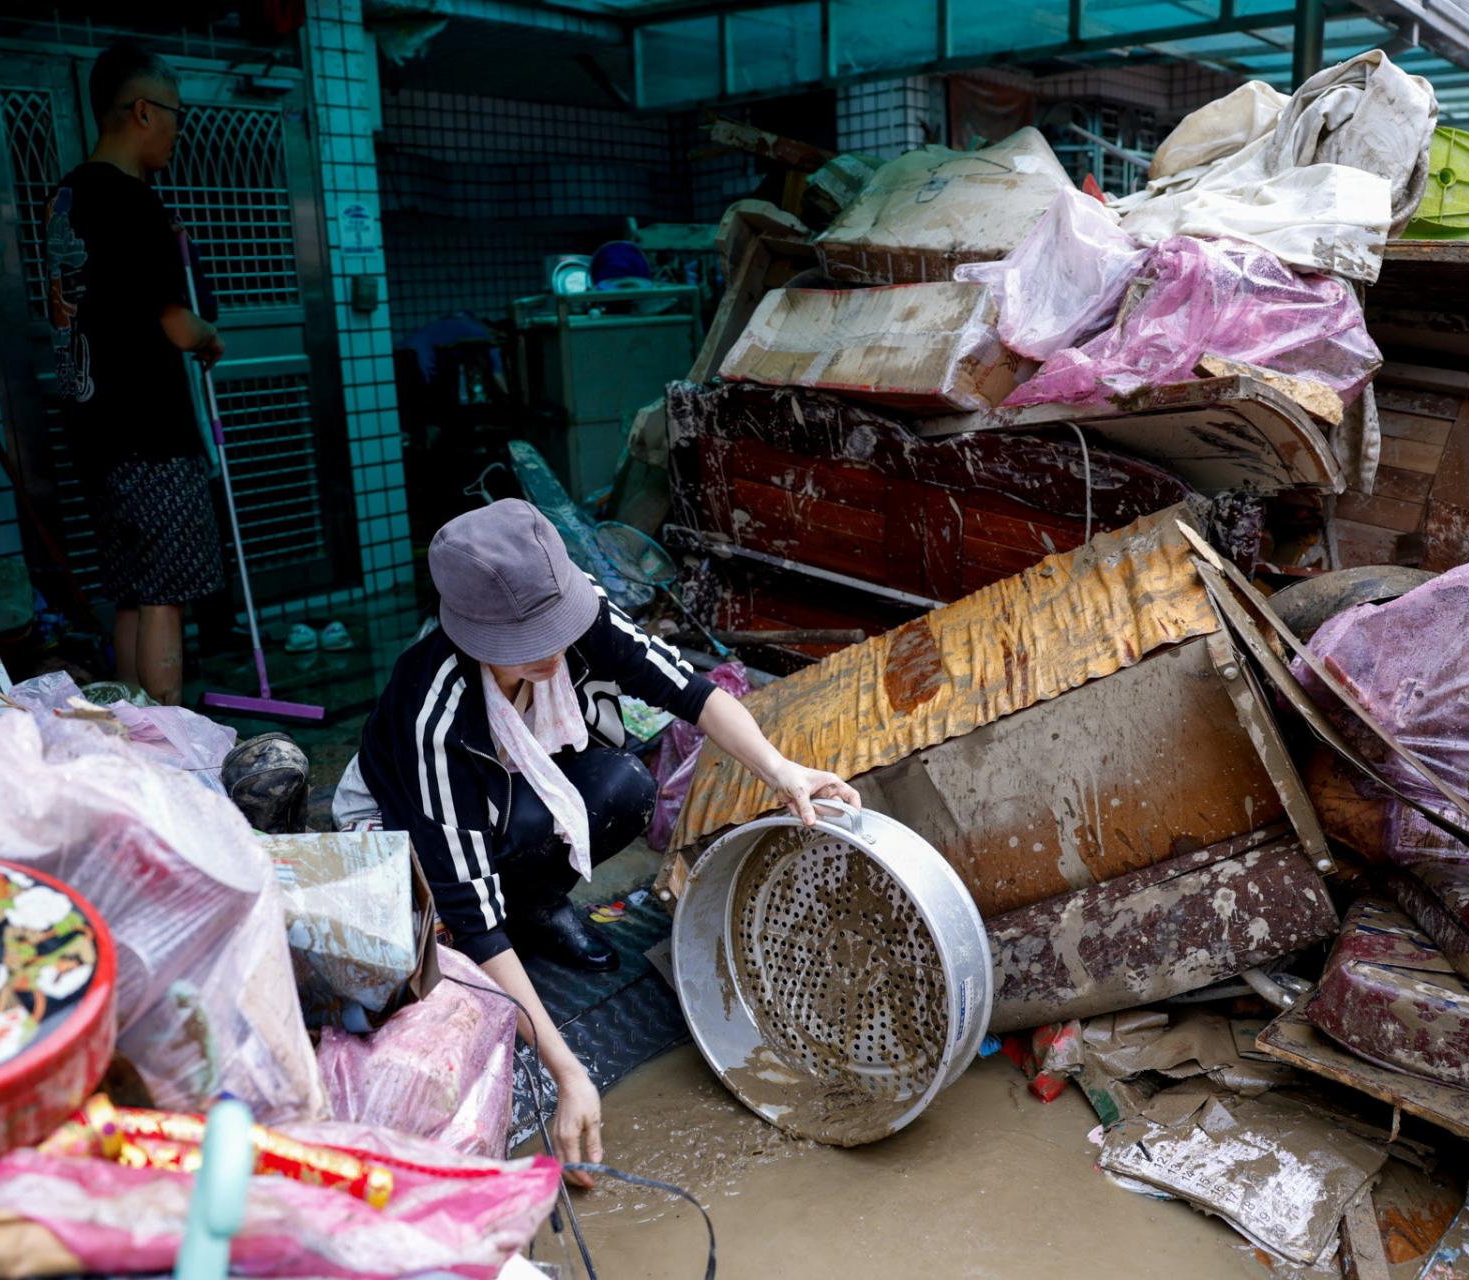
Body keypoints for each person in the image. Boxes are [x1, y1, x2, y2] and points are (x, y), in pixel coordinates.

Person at [335, 500, 859, 1184]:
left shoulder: (580, 615)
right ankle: (506, 915)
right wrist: (566, 1069)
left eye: (555, 629)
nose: (553, 649)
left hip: (519, 785)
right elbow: (471, 915)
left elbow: (692, 692)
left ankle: (535, 903)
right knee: (444, 941)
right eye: (528, 641)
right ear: (474, 636)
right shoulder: (433, 714)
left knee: (623, 788)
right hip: (406, 825)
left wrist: (781, 770)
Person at [45, 42, 225, 706]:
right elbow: (175, 324)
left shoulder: (65, 197)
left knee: (129, 589)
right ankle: (171, 738)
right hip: (151, 431)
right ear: (143, 111)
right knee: (163, 596)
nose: (178, 130)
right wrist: (210, 336)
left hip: (93, 431)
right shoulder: (134, 202)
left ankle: (127, 733)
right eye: (175, 114)